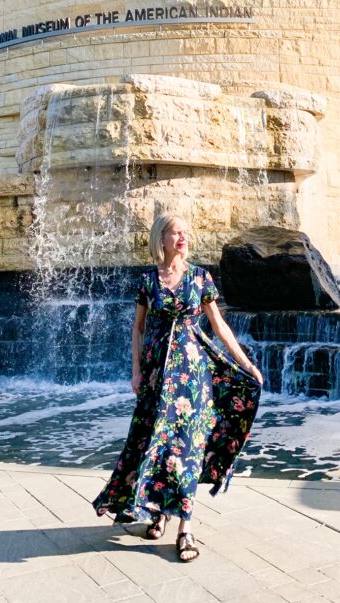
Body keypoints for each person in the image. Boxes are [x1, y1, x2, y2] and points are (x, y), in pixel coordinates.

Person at [93, 213, 263, 562]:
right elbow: (137, 330)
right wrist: (136, 371)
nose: (183, 238)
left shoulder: (200, 277)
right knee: (155, 443)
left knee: (187, 447)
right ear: (162, 238)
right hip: (157, 378)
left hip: (193, 379)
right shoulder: (148, 280)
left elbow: (219, 326)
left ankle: (185, 529)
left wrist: (245, 363)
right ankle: (158, 512)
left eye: (186, 233)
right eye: (176, 232)